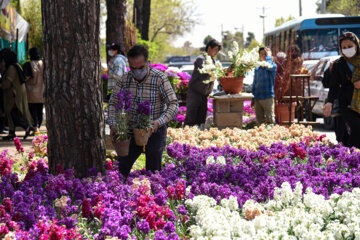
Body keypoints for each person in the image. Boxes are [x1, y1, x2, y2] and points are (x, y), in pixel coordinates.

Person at [108, 45, 178, 181]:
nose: (137, 71)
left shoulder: (159, 79)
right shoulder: (124, 79)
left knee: (153, 173)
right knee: (121, 169)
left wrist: (159, 122)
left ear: (147, 63)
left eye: (140, 67)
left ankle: (152, 198)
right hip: (130, 131)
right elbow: (112, 103)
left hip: (154, 130)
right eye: (133, 68)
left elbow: (173, 104)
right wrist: (113, 124)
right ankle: (118, 197)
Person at [323, 32, 360, 148]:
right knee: (356, 127)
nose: (347, 50)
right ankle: (351, 156)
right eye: (344, 48)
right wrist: (329, 102)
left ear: (357, 45)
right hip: (347, 104)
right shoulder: (339, 64)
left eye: (349, 46)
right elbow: (333, 86)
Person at [184, 39, 221, 127]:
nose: (216, 52)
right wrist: (220, 71)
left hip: (204, 95)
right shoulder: (200, 59)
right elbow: (209, 69)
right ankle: (185, 139)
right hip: (195, 94)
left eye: (218, 50)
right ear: (209, 48)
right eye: (215, 49)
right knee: (191, 120)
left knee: (201, 121)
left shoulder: (213, 61)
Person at [0, 48, 34, 140]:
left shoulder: (11, 68)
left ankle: (27, 127)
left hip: (13, 96)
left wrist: (1, 85)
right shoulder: (16, 65)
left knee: (13, 113)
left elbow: (8, 82)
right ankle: (12, 132)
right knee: (11, 114)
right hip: (15, 95)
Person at [251, 47, 277, 125]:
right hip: (258, 98)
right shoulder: (257, 69)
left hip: (268, 97)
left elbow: (268, 65)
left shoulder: (272, 66)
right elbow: (254, 83)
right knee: (259, 120)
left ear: (270, 55)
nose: (264, 56)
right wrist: (253, 98)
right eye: (261, 54)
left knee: (270, 119)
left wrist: (268, 56)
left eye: (265, 54)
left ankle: (272, 135)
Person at [23, 47, 44, 134]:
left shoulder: (28, 64)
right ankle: (38, 126)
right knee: (40, 109)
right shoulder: (43, 63)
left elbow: (25, 77)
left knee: (33, 110)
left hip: (31, 91)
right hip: (42, 91)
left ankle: (35, 126)